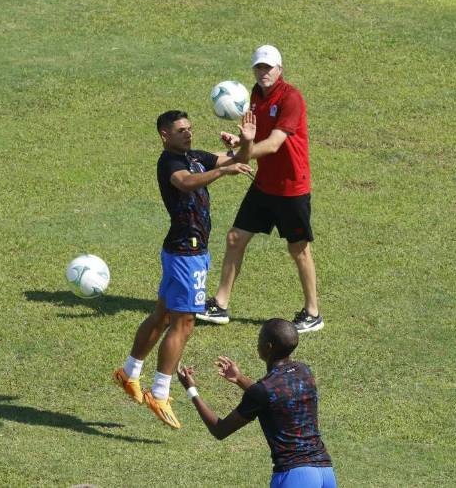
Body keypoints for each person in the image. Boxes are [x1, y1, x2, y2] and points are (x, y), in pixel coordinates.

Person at [113, 110, 255, 429]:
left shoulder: (194, 156)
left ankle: (129, 372)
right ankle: (160, 392)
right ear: (165, 135)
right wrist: (223, 172)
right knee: (185, 323)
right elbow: (187, 184)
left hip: (190, 250)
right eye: (181, 130)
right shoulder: (170, 164)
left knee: (163, 316)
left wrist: (246, 143)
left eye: (190, 129)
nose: (188, 134)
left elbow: (239, 158)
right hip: (185, 251)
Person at [197, 44, 324, 333]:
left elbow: (275, 143)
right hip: (265, 184)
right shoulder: (253, 96)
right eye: (259, 67)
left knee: (298, 249)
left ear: (280, 69)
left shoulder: (292, 98)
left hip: (292, 187)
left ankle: (313, 313)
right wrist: (240, 143)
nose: (263, 72)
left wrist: (242, 152)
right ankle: (220, 304)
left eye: (269, 67)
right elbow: (256, 139)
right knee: (234, 238)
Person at [177, 319, 336, 487]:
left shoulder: (262, 390)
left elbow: (220, 430)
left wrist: (191, 389)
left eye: (260, 337)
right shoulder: (304, 371)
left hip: (294, 475)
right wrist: (239, 378)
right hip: (325, 472)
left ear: (268, 347)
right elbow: (273, 397)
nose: (257, 342)